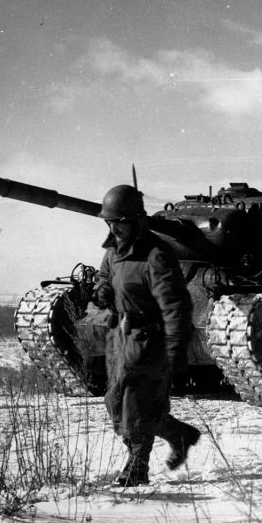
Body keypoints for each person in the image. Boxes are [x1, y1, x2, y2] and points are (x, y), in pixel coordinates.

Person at [92, 184, 201, 486]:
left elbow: (175, 305)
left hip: (150, 341)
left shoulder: (156, 256)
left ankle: (137, 469)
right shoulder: (114, 251)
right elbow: (104, 276)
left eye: (120, 223)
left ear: (136, 221)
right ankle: (180, 434)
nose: (114, 229)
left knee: (136, 407)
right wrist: (102, 290)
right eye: (110, 223)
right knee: (115, 403)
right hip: (122, 338)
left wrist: (176, 348)